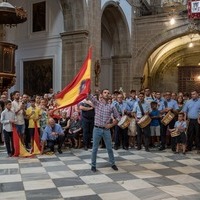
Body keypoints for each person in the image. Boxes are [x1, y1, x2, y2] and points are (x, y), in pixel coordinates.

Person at [88, 89, 121, 172]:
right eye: (105, 92)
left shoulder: (112, 106)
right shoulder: (97, 103)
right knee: (95, 148)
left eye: (108, 93)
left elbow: (118, 117)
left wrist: (111, 125)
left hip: (106, 130)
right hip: (97, 129)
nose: (107, 94)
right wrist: (87, 88)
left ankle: (112, 163)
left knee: (109, 148)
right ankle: (93, 165)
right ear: (102, 95)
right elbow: (89, 96)